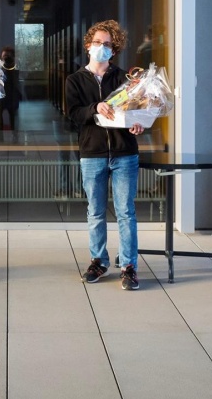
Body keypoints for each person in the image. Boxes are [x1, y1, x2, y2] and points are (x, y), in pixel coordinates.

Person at [66, 20, 144, 291]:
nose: (102, 47)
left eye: (108, 44)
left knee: (126, 212)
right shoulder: (75, 80)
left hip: (124, 153)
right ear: (88, 46)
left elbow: (136, 111)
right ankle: (98, 260)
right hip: (92, 153)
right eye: (98, 42)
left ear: (114, 49)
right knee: (96, 212)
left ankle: (129, 266)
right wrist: (95, 108)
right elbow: (73, 113)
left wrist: (138, 123)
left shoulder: (125, 79)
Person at [0, 46, 21, 142]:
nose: (7, 58)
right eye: (5, 56)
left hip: (12, 95)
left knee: (14, 118)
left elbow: (17, 80)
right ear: (0, 57)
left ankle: (15, 137)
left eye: (9, 56)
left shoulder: (16, 66)